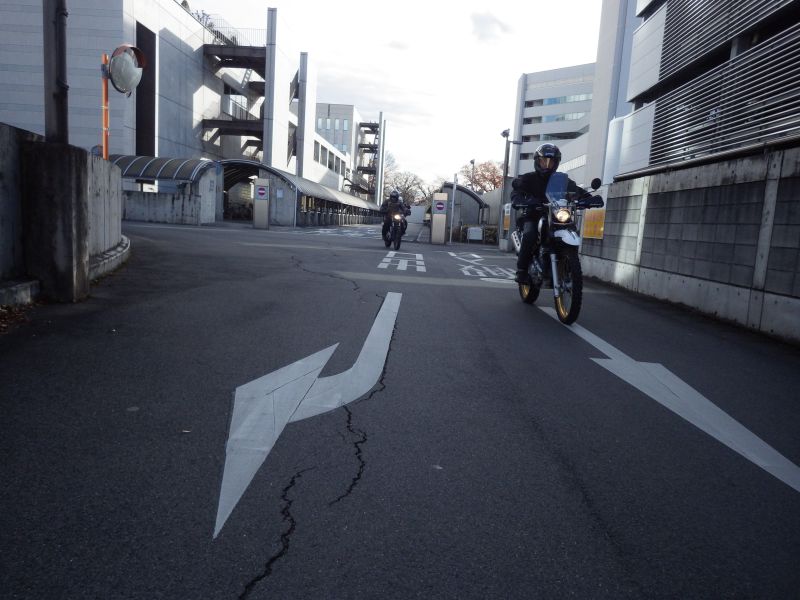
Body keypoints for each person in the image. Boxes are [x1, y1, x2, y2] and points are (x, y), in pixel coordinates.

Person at [510, 143, 587, 284]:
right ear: (537, 161)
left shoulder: (561, 179)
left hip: (557, 216)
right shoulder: (529, 178)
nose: (547, 165)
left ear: (556, 163)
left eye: (551, 162)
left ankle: (567, 266)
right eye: (544, 161)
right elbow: (517, 191)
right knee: (530, 235)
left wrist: (589, 198)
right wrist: (519, 199)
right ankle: (521, 271)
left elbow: (576, 190)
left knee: (572, 229)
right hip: (534, 215)